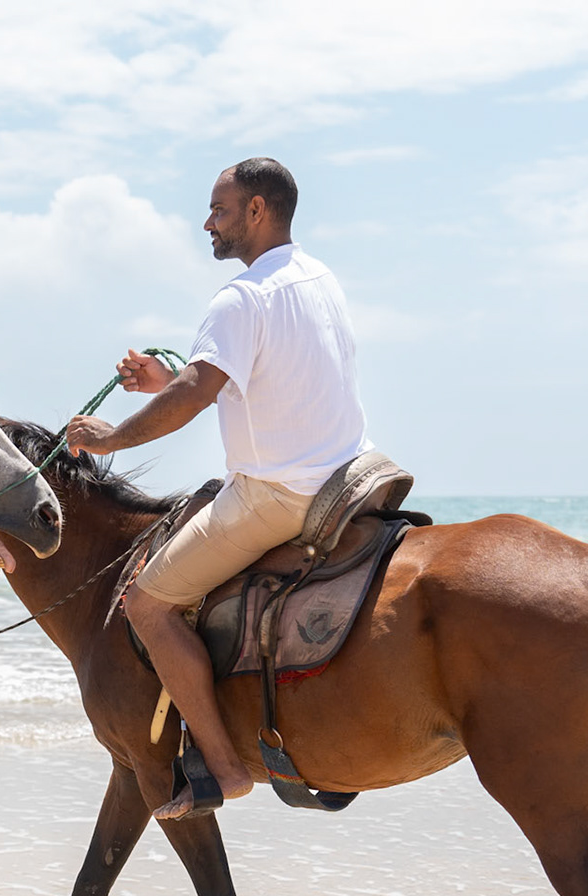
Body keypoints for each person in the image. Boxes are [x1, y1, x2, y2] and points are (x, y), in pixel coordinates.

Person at [64, 157, 371, 819]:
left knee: (147, 604)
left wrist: (112, 438)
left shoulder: (240, 298)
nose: (208, 222)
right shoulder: (320, 280)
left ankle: (227, 771)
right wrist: (162, 385)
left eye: (220, 209)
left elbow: (200, 391)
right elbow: (253, 375)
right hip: (351, 477)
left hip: (281, 495)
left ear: (257, 210)